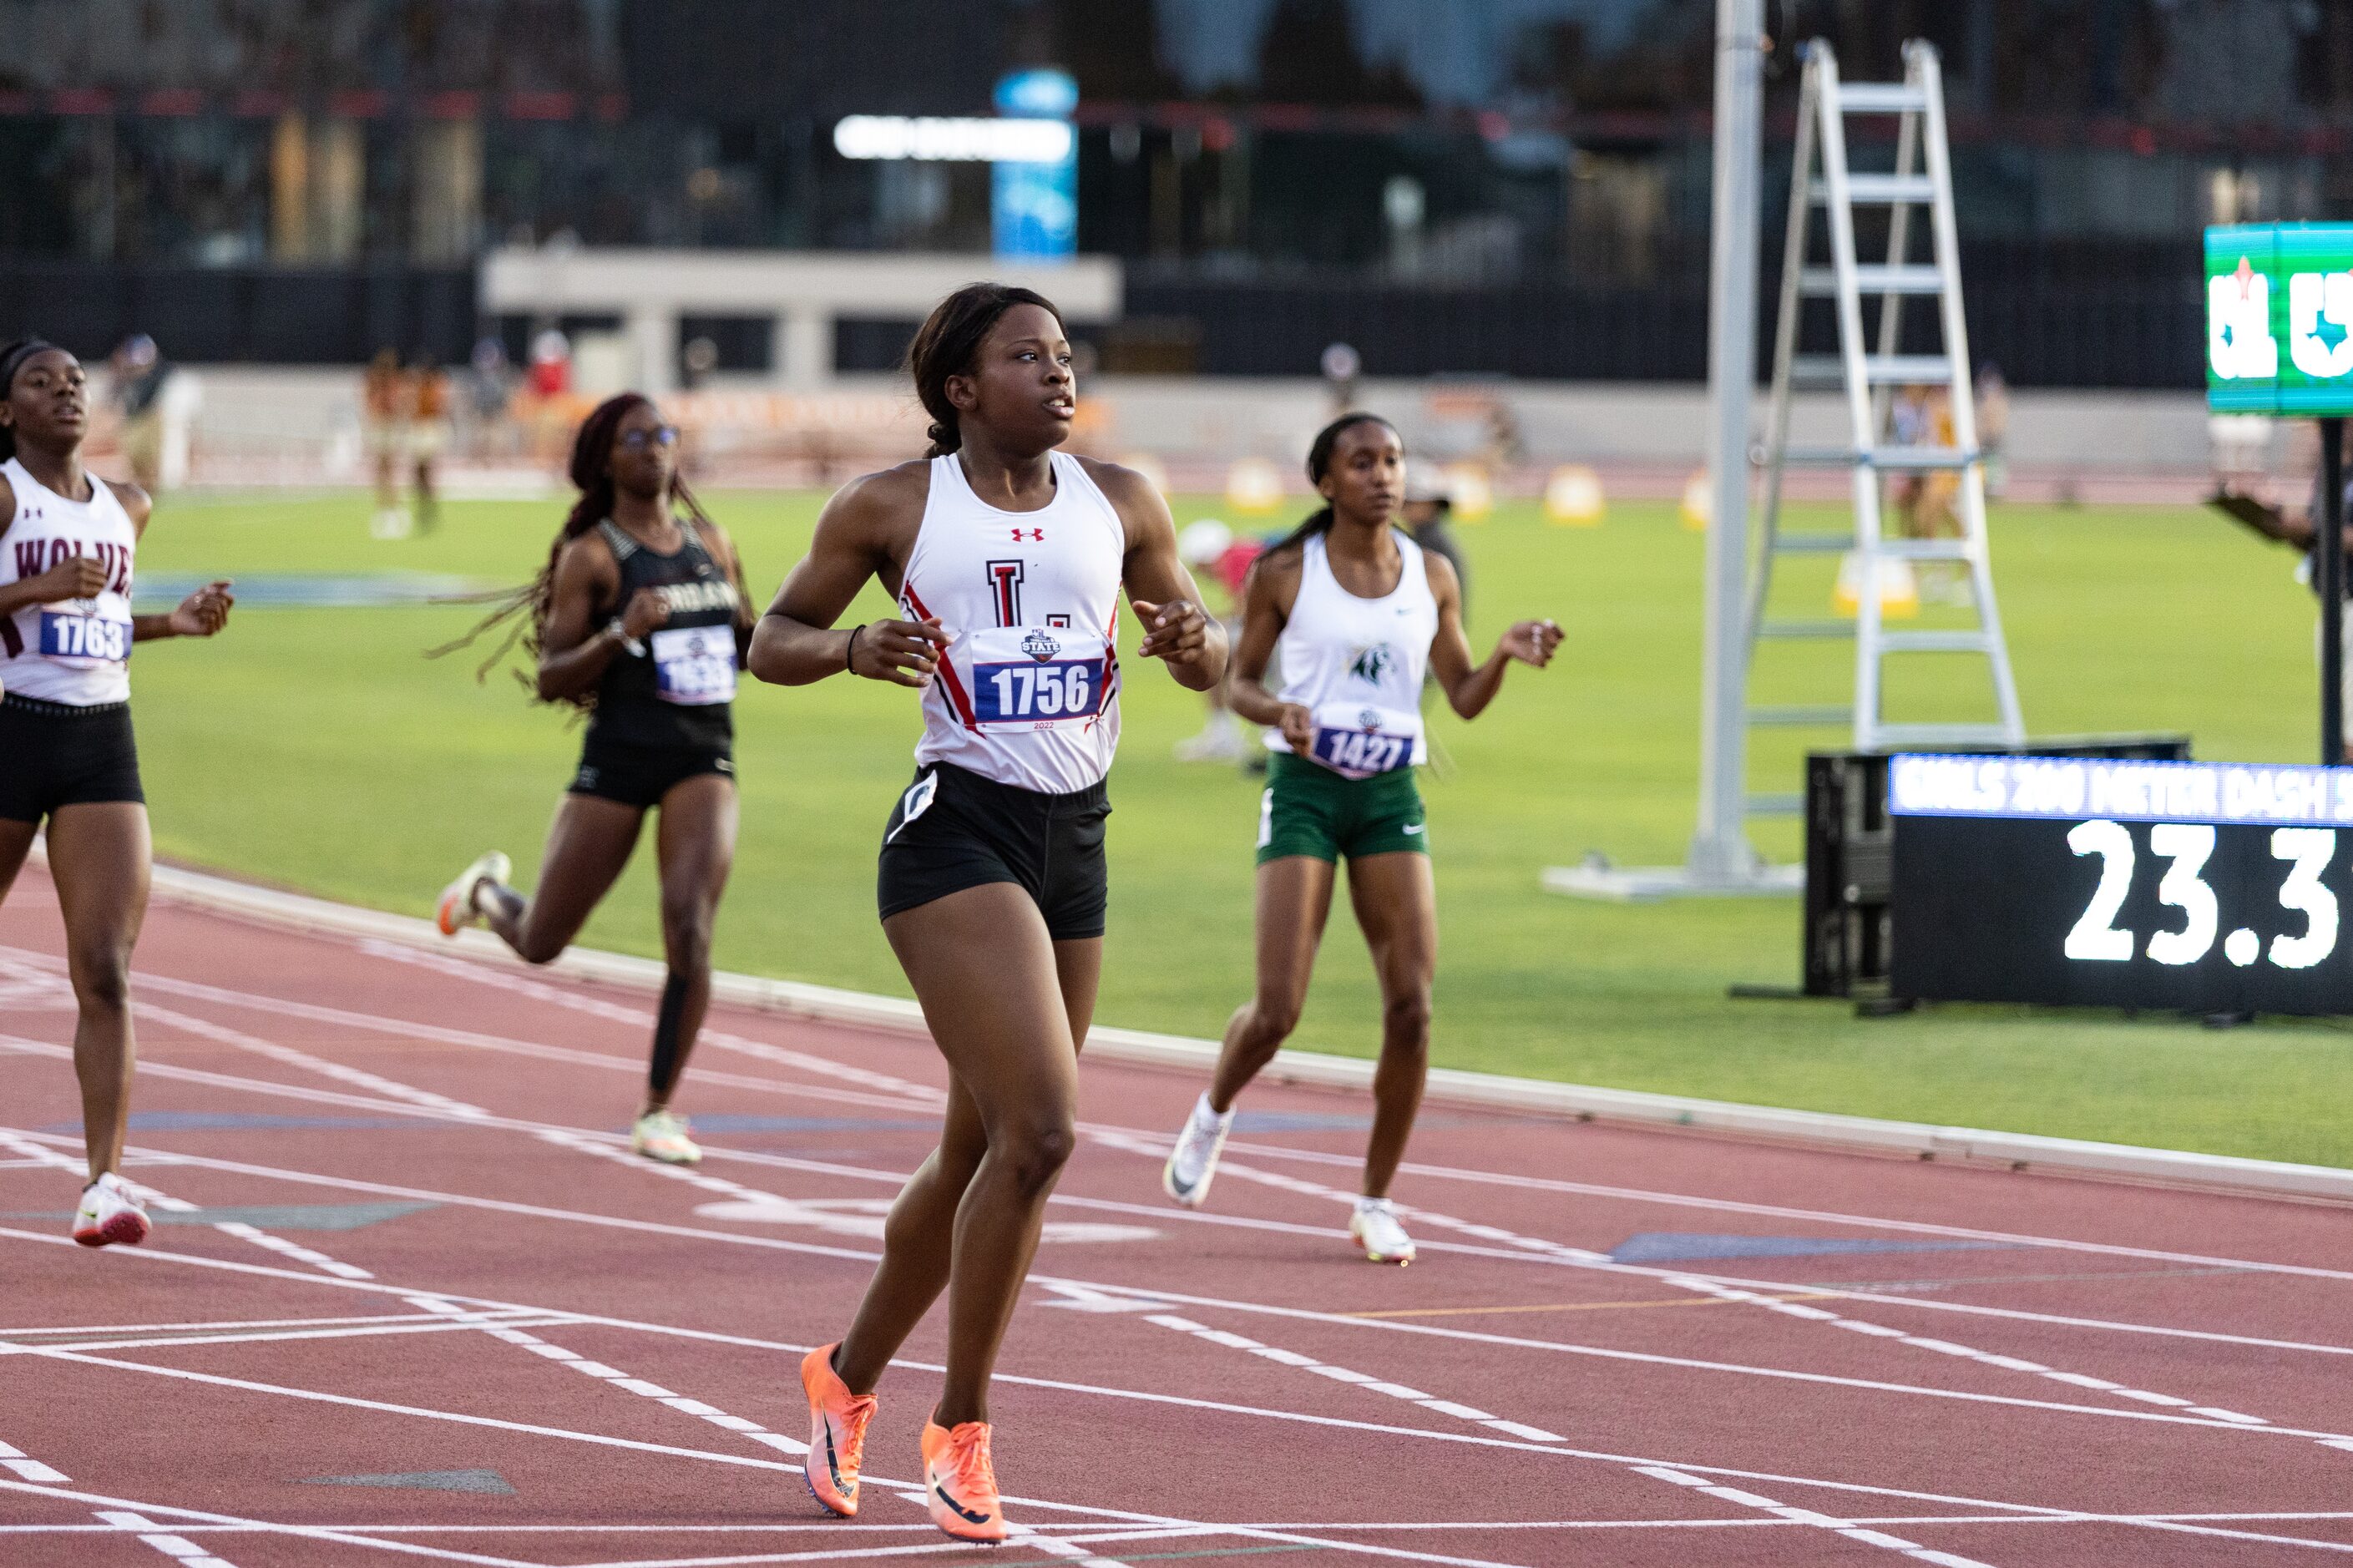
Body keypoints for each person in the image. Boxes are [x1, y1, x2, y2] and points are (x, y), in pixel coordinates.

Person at [747, 282, 1223, 1544]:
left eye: (1066, 357)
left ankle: (842, 1377)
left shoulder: (1122, 500)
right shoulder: (894, 506)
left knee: (981, 1153)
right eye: (1028, 358)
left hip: (1078, 840)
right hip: (956, 834)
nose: (1060, 376)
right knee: (1047, 1131)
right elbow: (770, 637)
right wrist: (850, 650)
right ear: (960, 388)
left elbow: (1209, 646)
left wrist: (1193, 641)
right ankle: (959, 1430)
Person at [1160, 412, 1561, 1264]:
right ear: (1325, 481)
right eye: (1362, 462)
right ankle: (1213, 1113)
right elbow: (1237, 686)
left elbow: (1460, 696)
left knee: (1412, 1007)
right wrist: (1281, 713)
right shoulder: (1285, 572)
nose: (1382, 476)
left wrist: (1502, 654)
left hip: (1387, 794)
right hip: (1304, 789)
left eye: (1392, 461)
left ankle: (1375, 1200)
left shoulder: (1433, 573)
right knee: (1278, 1009)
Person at [431, 393, 753, 1166]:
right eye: (636, 438)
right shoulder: (595, 557)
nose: (655, 449)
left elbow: (746, 640)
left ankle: (657, 1110)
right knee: (542, 941)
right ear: (606, 457)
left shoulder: (714, 542)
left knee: (691, 926)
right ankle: (484, 896)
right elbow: (549, 676)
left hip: (704, 754)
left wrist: (750, 638)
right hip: (619, 757)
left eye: (664, 435)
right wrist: (620, 633)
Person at [0, 339, 235, 1246]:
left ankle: (103, 1183)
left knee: (104, 969)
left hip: (103, 745)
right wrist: (34, 585)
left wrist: (169, 625)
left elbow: (95, 620)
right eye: (38, 381)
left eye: (74, 382)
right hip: (13, 729)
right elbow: (48, 599)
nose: (64, 391)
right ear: (6, 412)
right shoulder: (5, 495)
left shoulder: (126, 506)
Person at [363, 347, 412, 538]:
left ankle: (392, 508)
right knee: (381, 469)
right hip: (380, 426)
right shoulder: (375, 380)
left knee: (388, 468)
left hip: (387, 425)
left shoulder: (393, 381)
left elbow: (400, 404)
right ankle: (385, 508)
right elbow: (369, 403)